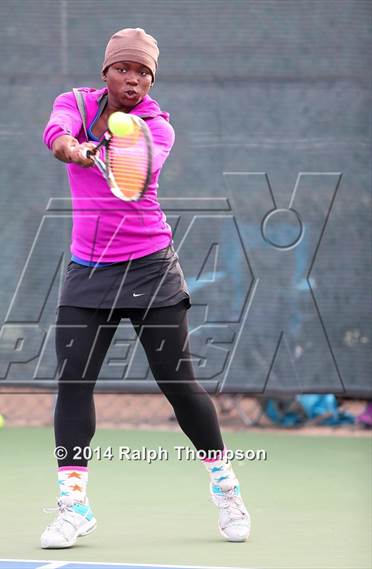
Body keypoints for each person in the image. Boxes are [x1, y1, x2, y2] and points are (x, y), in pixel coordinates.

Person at [41, 27, 250, 549]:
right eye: (124, 69)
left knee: (177, 385)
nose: (133, 80)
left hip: (150, 268)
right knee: (73, 384)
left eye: (143, 73)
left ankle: (226, 487)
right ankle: (73, 505)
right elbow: (58, 132)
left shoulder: (157, 126)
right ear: (106, 71)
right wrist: (71, 146)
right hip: (88, 271)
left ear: (151, 81)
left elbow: (134, 159)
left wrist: (104, 151)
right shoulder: (74, 101)